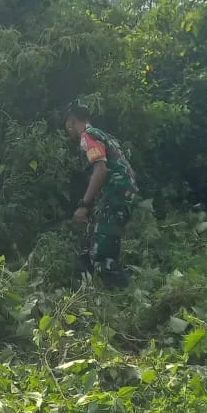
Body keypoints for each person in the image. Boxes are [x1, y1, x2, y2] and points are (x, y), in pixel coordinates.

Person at [64, 102, 138, 288]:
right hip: (119, 194)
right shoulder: (104, 136)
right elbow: (130, 171)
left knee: (102, 254)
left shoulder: (88, 136)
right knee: (88, 242)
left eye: (66, 124)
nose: (67, 129)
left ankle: (121, 295)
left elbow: (101, 170)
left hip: (115, 194)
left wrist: (84, 205)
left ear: (71, 121)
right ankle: (88, 289)